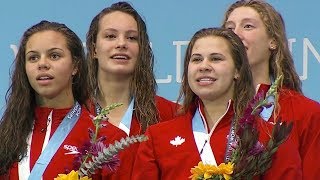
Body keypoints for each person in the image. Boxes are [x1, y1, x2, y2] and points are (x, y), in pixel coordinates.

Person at [132, 27, 302, 179]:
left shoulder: (269, 137)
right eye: (196, 59)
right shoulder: (158, 137)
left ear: (237, 70)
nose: (204, 66)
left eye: (216, 59)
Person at [0, 20, 126, 179]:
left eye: (54, 55)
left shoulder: (107, 139)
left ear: (75, 66)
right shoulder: (5, 136)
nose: (42, 64)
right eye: (33, 58)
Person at [222, 0, 320, 178]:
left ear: (273, 41)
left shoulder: (306, 112)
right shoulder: (206, 110)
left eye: (248, 26)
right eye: (229, 28)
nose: (235, 34)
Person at [86, 1, 178, 179]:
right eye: (110, 36)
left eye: (132, 38)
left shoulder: (170, 115)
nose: (121, 44)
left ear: (142, 50)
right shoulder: (73, 114)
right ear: (94, 49)